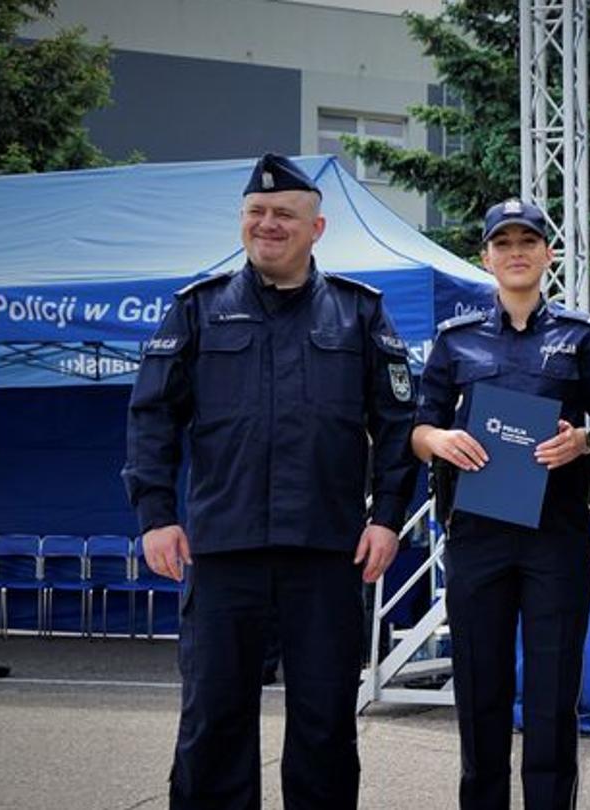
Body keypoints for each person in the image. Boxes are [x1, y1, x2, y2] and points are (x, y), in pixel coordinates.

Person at [122, 152, 419, 809]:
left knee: (324, 726)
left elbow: (399, 421)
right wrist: (155, 516)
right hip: (224, 553)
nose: (268, 224)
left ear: (317, 228)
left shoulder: (359, 314)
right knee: (214, 723)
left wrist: (387, 516)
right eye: (256, 213)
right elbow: (152, 418)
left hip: (326, 553)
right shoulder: (197, 311)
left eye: (285, 213)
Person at [413, 198, 590, 810]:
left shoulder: (583, 336)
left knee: (551, 693)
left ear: (547, 254)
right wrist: (441, 440)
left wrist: (582, 442)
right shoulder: (455, 341)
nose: (516, 252)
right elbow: (419, 427)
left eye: (527, 242)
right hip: (478, 535)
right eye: (503, 243)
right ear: (486, 256)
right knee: (480, 691)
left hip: (555, 538)